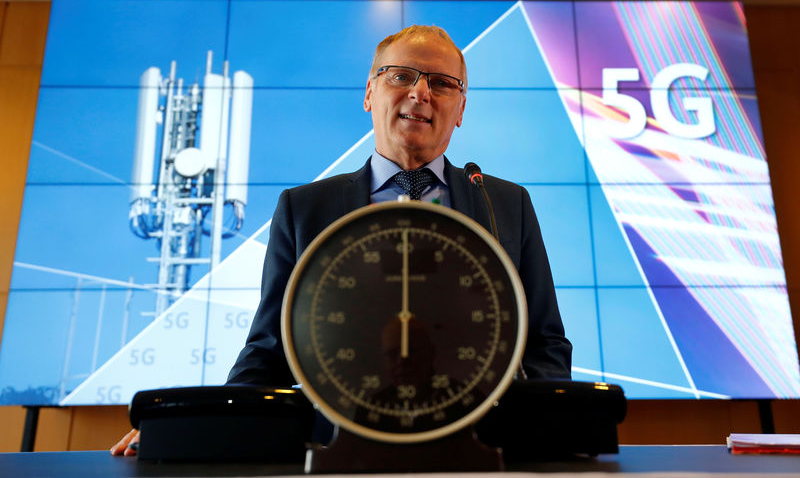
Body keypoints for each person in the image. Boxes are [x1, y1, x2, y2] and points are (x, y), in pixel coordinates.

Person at [112, 24, 571, 456]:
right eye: (401, 75)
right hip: (338, 449)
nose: (421, 92)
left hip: (482, 449)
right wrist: (196, 425)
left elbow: (545, 342)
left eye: (442, 83)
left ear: (461, 108)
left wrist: (545, 427)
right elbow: (270, 348)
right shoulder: (304, 208)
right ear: (370, 93)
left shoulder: (503, 203)